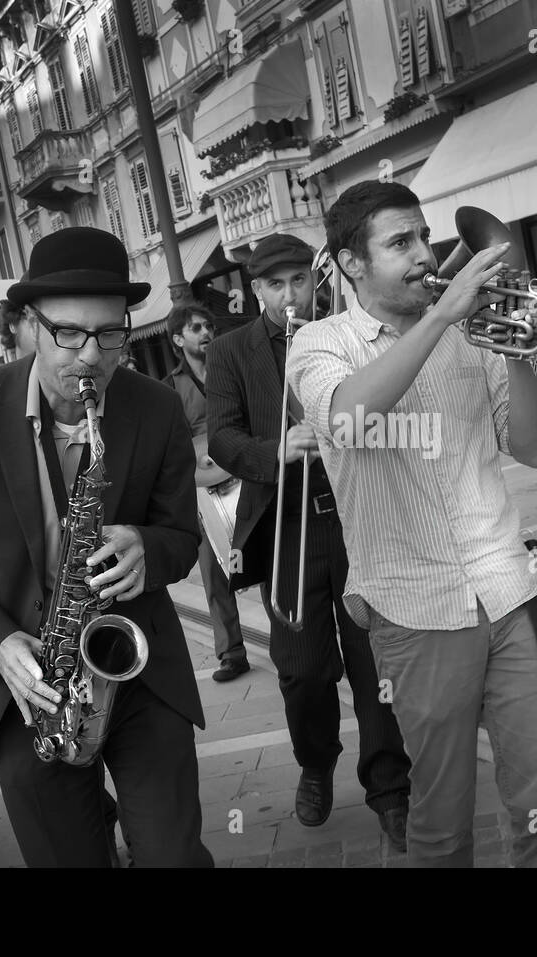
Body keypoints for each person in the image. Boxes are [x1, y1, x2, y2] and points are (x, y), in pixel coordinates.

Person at [0, 226, 213, 868]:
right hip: (26, 685)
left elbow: (183, 539)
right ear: (26, 328)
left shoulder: (155, 409)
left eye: (110, 334)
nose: (91, 356)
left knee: (174, 856)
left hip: (137, 669)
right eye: (68, 333)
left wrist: (148, 548)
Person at [286, 181, 537, 868]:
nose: (425, 254)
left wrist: (518, 349)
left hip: (514, 590)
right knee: (442, 825)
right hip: (418, 613)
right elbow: (349, 419)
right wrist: (443, 317)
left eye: (423, 236)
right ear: (352, 263)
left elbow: (533, 448)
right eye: (400, 243)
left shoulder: (472, 334)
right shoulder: (320, 343)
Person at [207, 232, 411, 850]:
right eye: (275, 285)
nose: (290, 295)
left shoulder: (346, 331)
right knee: (302, 673)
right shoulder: (231, 351)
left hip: (356, 515)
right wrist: (276, 451)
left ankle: (390, 788)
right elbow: (221, 437)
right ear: (256, 289)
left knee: (375, 662)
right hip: (289, 525)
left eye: (299, 280)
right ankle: (316, 762)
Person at [162, 302, 250, 683]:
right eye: (196, 328)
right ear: (178, 339)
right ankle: (231, 653)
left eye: (209, 325)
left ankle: (285, 641)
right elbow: (172, 445)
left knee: (259, 560)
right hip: (201, 488)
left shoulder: (231, 369)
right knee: (215, 572)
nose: (206, 332)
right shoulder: (170, 388)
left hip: (246, 476)